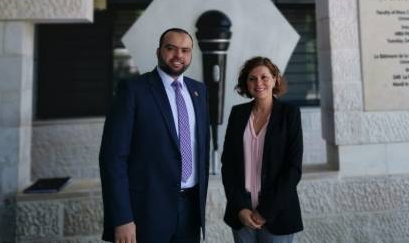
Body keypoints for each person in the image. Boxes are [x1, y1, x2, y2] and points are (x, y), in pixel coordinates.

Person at [99, 28, 210, 243]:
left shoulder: (199, 91)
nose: (178, 55)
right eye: (171, 49)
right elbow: (113, 159)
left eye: (185, 50)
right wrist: (122, 218)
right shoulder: (132, 90)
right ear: (158, 52)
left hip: (190, 210)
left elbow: (201, 148)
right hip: (146, 213)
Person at [221, 56, 303, 243]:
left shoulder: (289, 114)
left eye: (264, 77)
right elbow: (228, 165)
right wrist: (240, 208)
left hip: (278, 214)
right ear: (246, 83)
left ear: (275, 80)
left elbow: (293, 169)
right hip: (242, 216)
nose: (258, 83)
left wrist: (265, 211)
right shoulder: (237, 114)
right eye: (252, 78)